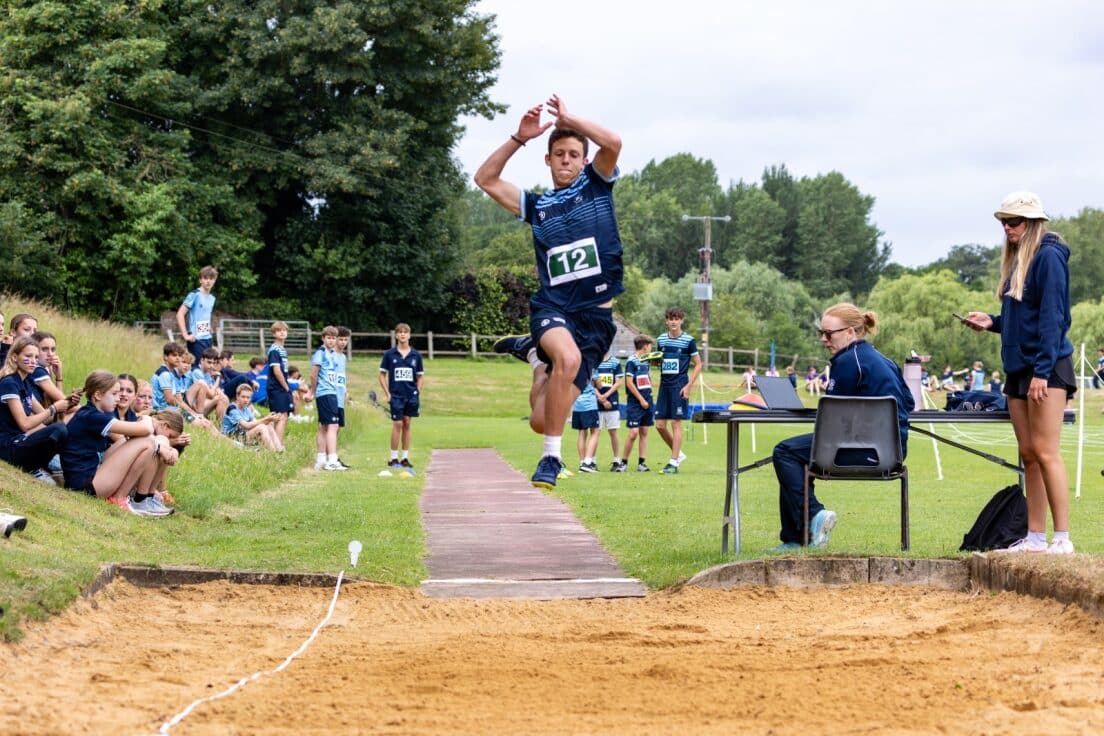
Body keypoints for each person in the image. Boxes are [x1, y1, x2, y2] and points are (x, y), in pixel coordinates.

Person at [475, 94, 623, 490]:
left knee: (543, 417)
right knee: (569, 360)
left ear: (584, 160)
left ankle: (535, 359)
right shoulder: (537, 207)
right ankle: (551, 458)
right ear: (548, 159)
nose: (566, 160)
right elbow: (484, 179)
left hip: (596, 320)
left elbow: (614, 143)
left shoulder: (597, 186)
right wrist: (518, 138)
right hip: (555, 307)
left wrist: (570, 117)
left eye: (574, 154)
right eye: (559, 153)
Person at [964, 191, 1075, 554]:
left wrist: (1043, 372)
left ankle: (1062, 538)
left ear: (1033, 223)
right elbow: (1023, 318)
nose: (1007, 228)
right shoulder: (1017, 261)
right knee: (1027, 453)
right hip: (1018, 369)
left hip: (1046, 368)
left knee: (1046, 451)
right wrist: (992, 322)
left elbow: (1053, 318)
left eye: (1014, 222)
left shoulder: (1050, 257)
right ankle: (1034, 536)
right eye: (1003, 222)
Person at [769, 303, 914, 552]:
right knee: (796, 453)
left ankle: (811, 520)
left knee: (786, 452)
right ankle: (798, 536)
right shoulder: (885, 360)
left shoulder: (847, 361)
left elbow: (832, 417)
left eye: (829, 334)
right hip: (894, 452)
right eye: (820, 333)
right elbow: (908, 402)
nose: (824, 340)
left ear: (851, 332)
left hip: (860, 450)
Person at [61, 370, 173, 516]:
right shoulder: (94, 417)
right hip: (85, 485)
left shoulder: (94, 413)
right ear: (98, 395)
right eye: (114, 394)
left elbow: (131, 437)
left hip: (91, 473)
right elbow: (145, 429)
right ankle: (123, 499)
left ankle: (145, 498)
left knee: (151, 441)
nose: (118, 397)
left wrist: (162, 445)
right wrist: (148, 418)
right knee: (147, 442)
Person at [0, 336, 72, 483]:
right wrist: (53, 408)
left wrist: (66, 403)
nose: (33, 361)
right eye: (28, 356)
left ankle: (36, 467)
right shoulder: (9, 383)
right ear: (14, 357)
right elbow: (24, 424)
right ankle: (33, 467)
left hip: (20, 439)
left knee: (61, 429)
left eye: (36, 357)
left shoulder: (24, 383)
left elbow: (46, 418)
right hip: (7, 445)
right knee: (59, 429)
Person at [654, 307, 701, 474]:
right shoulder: (660, 339)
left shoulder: (688, 340)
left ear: (682, 320)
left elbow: (698, 364)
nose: (673, 321)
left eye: (677, 318)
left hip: (680, 386)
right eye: (670, 318)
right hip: (664, 386)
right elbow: (658, 361)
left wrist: (688, 386)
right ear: (666, 321)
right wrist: (652, 362)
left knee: (676, 423)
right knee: (659, 425)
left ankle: (673, 463)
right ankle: (678, 454)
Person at [379, 323, 424, 472]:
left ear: (409, 335)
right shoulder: (389, 354)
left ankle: (404, 458)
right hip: (396, 396)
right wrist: (388, 393)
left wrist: (417, 391)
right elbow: (382, 375)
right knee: (397, 423)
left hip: (411, 396)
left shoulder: (416, 355)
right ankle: (393, 458)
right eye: (400, 332)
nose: (403, 335)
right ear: (396, 335)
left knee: (406, 423)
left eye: (405, 332)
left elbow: (420, 376)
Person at [312, 326, 345, 470]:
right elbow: (314, 374)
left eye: (333, 338)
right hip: (325, 393)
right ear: (323, 338)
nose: (331, 341)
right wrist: (313, 392)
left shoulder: (331, 353)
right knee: (332, 426)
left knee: (325, 426)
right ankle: (332, 459)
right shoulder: (320, 353)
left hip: (332, 392)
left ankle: (321, 460)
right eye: (329, 338)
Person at [621, 335, 656, 472]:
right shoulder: (631, 361)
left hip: (648, 400)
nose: (651, 348)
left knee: (644, 432)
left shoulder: (646, 361)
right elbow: (629, 383)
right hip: (636, 403)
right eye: (650, 345)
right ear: (645, 346)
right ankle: (623, 463)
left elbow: (647, 379)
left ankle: (641, 463)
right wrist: (641, 399)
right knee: (633, 433)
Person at [176, 265, 218, 368]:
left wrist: (208, 327)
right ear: (200, 280)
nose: (208, 281)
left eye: (211, 279)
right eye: (205, 278)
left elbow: (204, 315)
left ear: (214, 280)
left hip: (208, 338)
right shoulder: (194, 295)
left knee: (208, 368)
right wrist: (185, 335)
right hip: (196, 339)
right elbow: (180, 314)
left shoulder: (212, 298)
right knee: (197, 369)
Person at [223, 383, 282, 451]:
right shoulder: (232, 408)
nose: (246, 400)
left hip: (243, 434)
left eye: (248, 397)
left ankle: (279, 450)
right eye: (243, 397)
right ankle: (274, 453)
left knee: (268, 425)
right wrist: (266, 418)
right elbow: (246, 425)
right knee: (261, 427)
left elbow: (254, 422)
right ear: (237, 396)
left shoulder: (246, 408)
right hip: (232, 438)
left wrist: (269, 420)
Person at [594, 351, 624, 471]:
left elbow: (618, 383)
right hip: (595, 403)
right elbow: (591, 383)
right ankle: (591, 460)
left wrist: (605, 396)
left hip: (612, 402)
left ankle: (617, 460)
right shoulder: (594, 361)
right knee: (595, 432)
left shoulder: (615, 362)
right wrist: (600, 398)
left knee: (613, 432)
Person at [265, 321, 293, 446]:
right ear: (274, 334)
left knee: (283, 415)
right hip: (277, 387)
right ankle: (277, 446)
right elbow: (276, 371)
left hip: (281, 387)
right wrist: (286, 386)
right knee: (280, 416)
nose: (282, 332)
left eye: (284, 330)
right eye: (278, 330)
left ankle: (277, 444)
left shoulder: (282, 349)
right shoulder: (274, 350)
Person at [571, 382, 600, 472]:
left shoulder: (574, 368)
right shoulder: (590, 368)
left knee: (582, 433)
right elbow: (599, 384)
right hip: (589, 404)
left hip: (577, 404)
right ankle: (587, 462)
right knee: (595, 431)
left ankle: (582, 463)